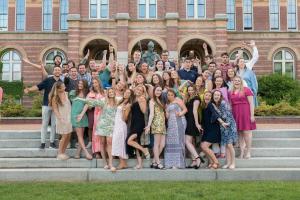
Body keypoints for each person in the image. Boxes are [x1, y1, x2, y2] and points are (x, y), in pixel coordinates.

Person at [78, 88, 118, 170]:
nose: (111, 93)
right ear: (107, 94)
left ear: (114, 93)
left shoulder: (117, 101)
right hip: (102, 125)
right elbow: (92, 102)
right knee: (102, 143)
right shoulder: (103, 101)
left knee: (110, 143)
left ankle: (111, 163)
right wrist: (80, 99)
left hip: (111, 125)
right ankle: (104, 162)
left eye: (112, 92)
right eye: (109, 92)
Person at [24, 66, 63, 149]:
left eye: (58, 70)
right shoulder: (48, 80)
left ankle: (52, 143)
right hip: (46, 105)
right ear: (53, 71)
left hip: (56, 106)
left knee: (54, 125)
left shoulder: (61, 82)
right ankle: (43, 143)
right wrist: (29, 89)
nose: (57, 71)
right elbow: (38, 86)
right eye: (55, 70)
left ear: (61, 72)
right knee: (44, 124)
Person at [229, 76, 256, 159]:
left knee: (246, 133)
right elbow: (230, 105)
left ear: (241, 82)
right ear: (233, 82)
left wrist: (252, 115)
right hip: (235, 114)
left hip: (245, 113)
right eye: (235, 81)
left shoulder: (246, 90)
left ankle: (248, 152)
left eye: (238, 80)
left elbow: (251, 103)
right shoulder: (231, 92)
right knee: (239, 134)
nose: (236, 82)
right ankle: (241, 152)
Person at [200, 91, 228, 169]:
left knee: (204, 146)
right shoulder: (203, 106)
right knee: (203, 146)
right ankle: (212, 162)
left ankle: (216, 162)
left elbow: (215, 114)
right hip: (207, 130)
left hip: (213, 129)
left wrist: (222, 122)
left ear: (211, 98)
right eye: (206, 95)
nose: (207, 97)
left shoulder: (210, 105)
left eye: (209, 96)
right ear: (203, 96)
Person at [212, 90, 238, 169]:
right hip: (223, 126)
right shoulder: (215, 104)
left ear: (220, 96)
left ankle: (233, 163)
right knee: (226, 145)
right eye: (215, 95)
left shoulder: (222, 103)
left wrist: (216, 110)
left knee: (229, 145)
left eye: (218, 95)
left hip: (229, 125)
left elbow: (227, 115)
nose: (216, 96)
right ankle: (228, 163)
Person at [127, 85, 150, 169]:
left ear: (143, 92)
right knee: (136, 143)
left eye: (141, 90)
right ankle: (140, 164)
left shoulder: (142, 99)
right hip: (133, 123)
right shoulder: (134, 98)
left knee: (129, 141)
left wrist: (140, 101)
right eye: (138, 89)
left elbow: (144, 111)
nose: (139, 91)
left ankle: (144, 150)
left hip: (139, 123)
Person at [48, 82, 72, 160]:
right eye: (63, 86)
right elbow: (55, 109)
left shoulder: (66, 93)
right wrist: (60, 118)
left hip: (69, 117)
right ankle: (59, 153)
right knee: (64, 136)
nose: (64, 87)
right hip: (62, 118)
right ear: (58, 89)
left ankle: (63, 152)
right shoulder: (55, 97)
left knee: (68, 136)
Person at [164, 89, 187, 169]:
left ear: (174, 95)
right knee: (170, 142)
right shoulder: (167, 104)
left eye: (171, 95)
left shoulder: (178, 100)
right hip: (171, 124)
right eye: (168, 95)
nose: (170, 96)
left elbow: (185, 109)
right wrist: (166, 111)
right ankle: (171, 163)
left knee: (178, 141)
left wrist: (180, 113)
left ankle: (178, 164)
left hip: (179, 122)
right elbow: (167, 117)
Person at [145, 86, 166, 169]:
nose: (159, 92)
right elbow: (151, 114)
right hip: (156, 123)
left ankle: (154, 161)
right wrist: (148, 126)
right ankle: (158, 163)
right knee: (156, 144)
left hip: (162, 123)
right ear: (154, 91)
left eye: (160, 90)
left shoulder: (160, 100)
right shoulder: (152, 101)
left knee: (162, 144)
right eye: (157, 90)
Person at [69, 80, 92, 160]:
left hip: (83, 115)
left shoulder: (87, 94)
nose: (80, 85)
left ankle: (78, 153)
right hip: (75, 115)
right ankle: (86, 153)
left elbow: (87, 105)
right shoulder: (73, 92)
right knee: (79, 135)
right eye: (79, 83)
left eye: (82, 83)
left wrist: (82, 114)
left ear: (85, 85)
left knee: (81, 135)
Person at [112, 89, 134, 170]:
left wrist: (124, 110)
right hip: (116, 124)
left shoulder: (128, 104)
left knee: (119, 143)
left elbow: (124, 118)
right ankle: (124, 163)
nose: (126, 93)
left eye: (129, 93)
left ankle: (122, 163)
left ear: (130, 95)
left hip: (121, 125)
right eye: (126, 92)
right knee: (117, 143)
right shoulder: (120, 101)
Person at [184, 85, 203, 169]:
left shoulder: (196, 99)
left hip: (192, 121)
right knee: (190, 142)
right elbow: (180, 90)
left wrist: (196, 123)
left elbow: (195, 111)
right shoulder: (189, 98)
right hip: (188, 120)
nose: (190, 91)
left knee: (187, 141)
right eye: (189, 90)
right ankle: (194, 161)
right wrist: (186, 83)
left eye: (192, 90)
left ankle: (197, 158)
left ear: (195, 90)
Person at [236, 40, 259, 106]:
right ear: (237, 63)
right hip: (239, 95)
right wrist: (242, 48)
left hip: (249, 94)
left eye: (243, 61)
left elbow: (255, 57)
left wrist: (254, 46)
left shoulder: (248, 66)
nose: (242, 63)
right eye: (241, 61)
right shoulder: (236, 72)